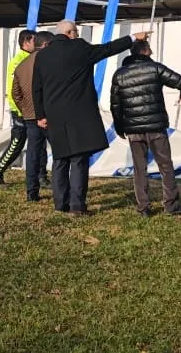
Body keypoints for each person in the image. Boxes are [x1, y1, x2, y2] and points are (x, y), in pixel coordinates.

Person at [33, 20, 148, 215]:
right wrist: (132, 38)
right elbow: (106, 49)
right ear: (70, 33)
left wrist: (40, 114)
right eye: (76, 31)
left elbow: (36, 87)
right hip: (79, 114)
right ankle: (77, 206)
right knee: (79, 159)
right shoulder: (79, 47)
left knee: (60, 159)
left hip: (54, 115)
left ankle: (60, 204)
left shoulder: (42, 56)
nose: (77, 34)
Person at [110, 39, 181, 217]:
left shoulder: (119, 74)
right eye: (150, 50)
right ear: (145, 51)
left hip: (133, 130)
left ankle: (143, 207)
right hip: (156, 127)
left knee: (140, 169)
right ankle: (171, 205)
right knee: (165, 166)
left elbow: (115, 106)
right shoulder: (155, 68)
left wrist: (119, 127)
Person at [0, 29, 37, 187]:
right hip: (20, 110)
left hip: (31, 110)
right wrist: (19, 109)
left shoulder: (32, 58)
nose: (36, 45)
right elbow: (12, 89)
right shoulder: (18, 61)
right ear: (25, 43)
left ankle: (41, 177)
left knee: (36, 144)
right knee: (17, 143)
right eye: (34, 41)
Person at [9, 31, 54, 201]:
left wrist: (26, 109)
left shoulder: (21, 65)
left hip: (29, 117)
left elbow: (15, 93)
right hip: (48, 115)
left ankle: (31, 192)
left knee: (33, 154)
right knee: (58, 152)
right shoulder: (48, 64)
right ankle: (59, 188)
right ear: (45, 45)